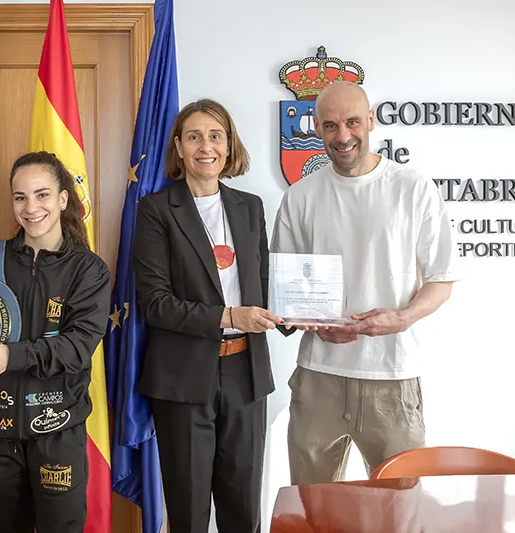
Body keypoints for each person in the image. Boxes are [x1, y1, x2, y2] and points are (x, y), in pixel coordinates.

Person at [270, 81, 459, 485]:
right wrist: (312, 322)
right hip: (319, 376)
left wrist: (404, 318)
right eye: (330, 125)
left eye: (353, 122)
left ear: (370, 121)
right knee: (312, 508)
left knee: (401, 508)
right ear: (316, 128)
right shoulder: (300, 197)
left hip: (393, 377)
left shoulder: (414, 189)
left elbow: (442, 280)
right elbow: (286, 290)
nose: (343, 136)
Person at [133, 99, 289, 533]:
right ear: (179, 147)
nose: (206, 146)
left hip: (246, 373)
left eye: (215, 136)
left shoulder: (250, 206)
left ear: (229, 144)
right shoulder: (156, 211)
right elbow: (156, 304)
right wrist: (230, 315)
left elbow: (264, 284)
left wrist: (297, 313)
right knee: (188, 511)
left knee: (243, 509)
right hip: (183, 378)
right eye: (195, 136)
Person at [0, 151, 111, 533]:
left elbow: (77, 348)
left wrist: (10, 356)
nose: (31, 208)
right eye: (20, 197)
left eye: (42, 195)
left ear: (63, 199)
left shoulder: (88, 269)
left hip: (56, 430)